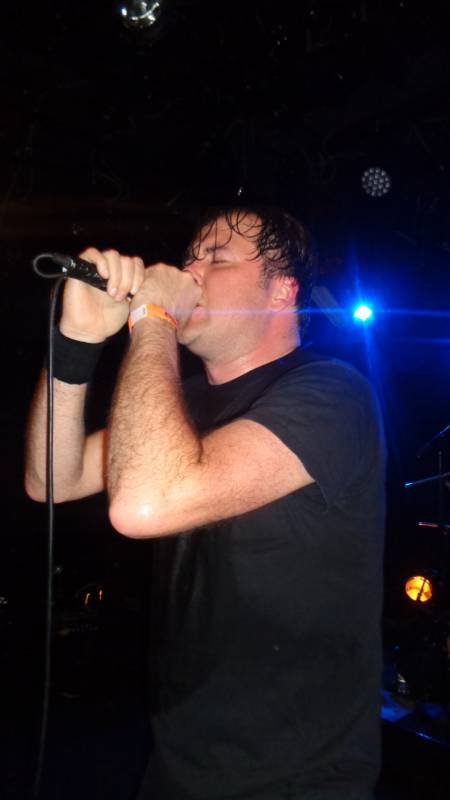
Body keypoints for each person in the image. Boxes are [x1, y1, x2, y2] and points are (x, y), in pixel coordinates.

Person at [25, 205, 386, 800]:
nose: (191, 269)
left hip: (296, 778)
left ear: (281, 290)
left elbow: (144, 505)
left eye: (217, 258)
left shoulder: (332, 394)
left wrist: (153, 316)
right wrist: (77, 342)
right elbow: (50, 478)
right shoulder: (179, 403)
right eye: (190, 256)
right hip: (178, 761)